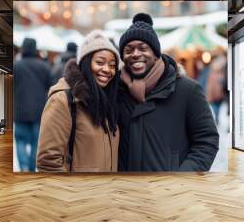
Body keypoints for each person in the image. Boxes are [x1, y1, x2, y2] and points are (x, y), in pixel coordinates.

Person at [117, 13, 219, 172]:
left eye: (143, 48)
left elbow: (207, 140)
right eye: (129, 50)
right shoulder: (117, 90)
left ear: (156, 53)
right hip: (126, 189)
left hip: (170, 190)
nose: (135, 54)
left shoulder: (188, 90)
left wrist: (182, 177)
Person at [37, 30, 121, 172]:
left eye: (112, 65)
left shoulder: (107, 101)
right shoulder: (63, 100)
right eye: (100, 62)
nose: (107, 69)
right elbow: (48, 162)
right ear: (86, 63)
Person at [13, 38, 55, 172]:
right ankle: (31, 168)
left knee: (20, 141)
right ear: (35, 48)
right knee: (36, 143)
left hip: (20, 112)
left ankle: (23, 167)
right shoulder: (44, 66)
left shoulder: (16, 66)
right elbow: (51, 87)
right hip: (39, 112)